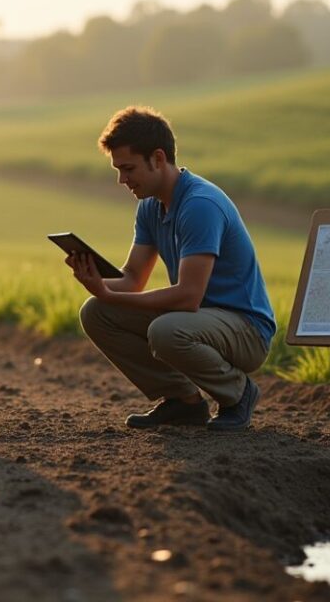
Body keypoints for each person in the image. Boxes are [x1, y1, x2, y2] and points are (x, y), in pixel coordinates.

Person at [66, 106, 276, 431]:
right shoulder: (150, 206)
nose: (122, 179)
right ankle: (182, 401)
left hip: (245, 330)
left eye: (128, 168)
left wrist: (109, 292)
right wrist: (96, 282)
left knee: (165, 331)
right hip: (198, 321)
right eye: (117, 170)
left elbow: (188, 297)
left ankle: (239, 393)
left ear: (158, 158)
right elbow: (133, 279)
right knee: (96, 312)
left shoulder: (200, 205)